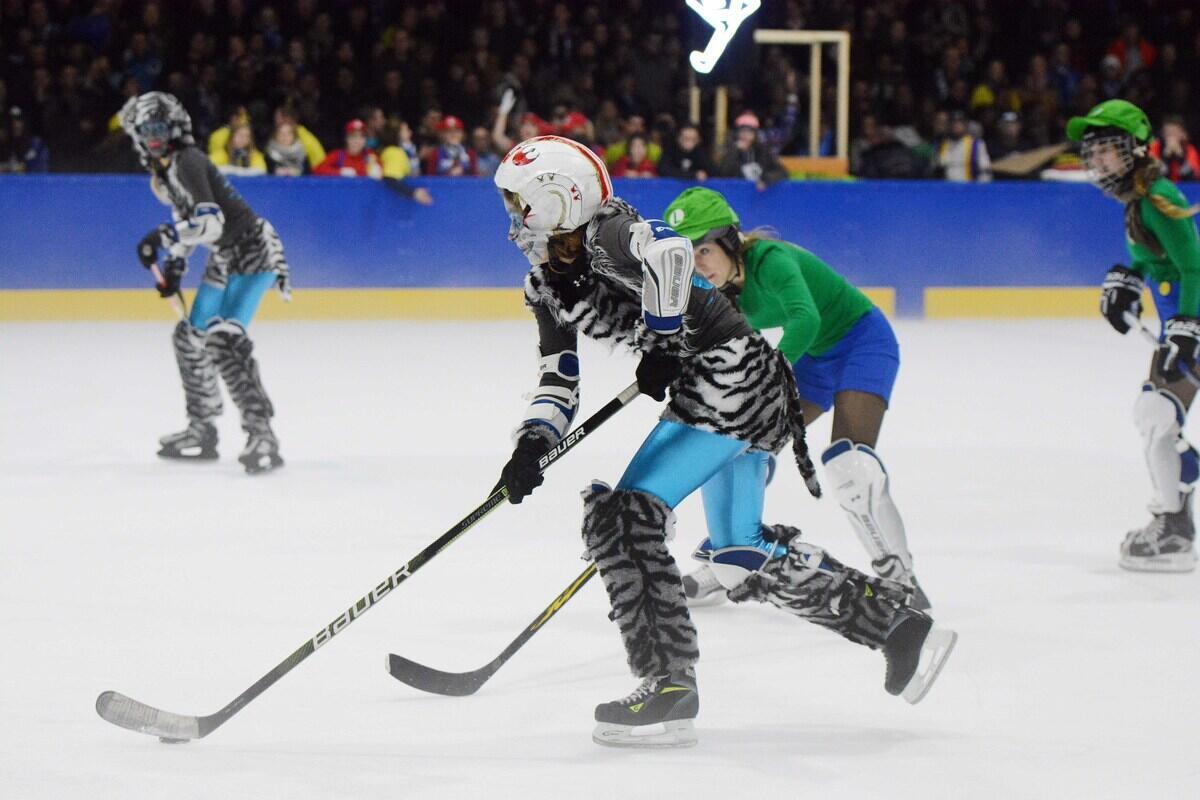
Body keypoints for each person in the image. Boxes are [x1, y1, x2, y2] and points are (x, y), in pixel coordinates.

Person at [493, 136, 955, 748]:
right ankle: (899, 628)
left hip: (731, 374)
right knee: (739, 553)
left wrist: (659, 341)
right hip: (718, 382)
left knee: (627, 518)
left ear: (560, 199)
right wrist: (532, 444)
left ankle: (668, 685)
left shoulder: (611, 230)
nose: (515, 221)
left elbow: (672, 257)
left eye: (522, 205)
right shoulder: (545, 284)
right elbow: (559, 378)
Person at [662, 187, 931, 609]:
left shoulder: (771, 260)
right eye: (687, 256)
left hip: (862, 343)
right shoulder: (713, 293)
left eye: (705, 250)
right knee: (741, 446)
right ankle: (729, 560)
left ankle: (901, 580)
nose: (698, 264)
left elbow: (807, 318)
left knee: (850, 465)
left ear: (730, 240)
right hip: (815, 358)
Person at [120, 92, 288, 474]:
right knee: (189, 337)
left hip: (252, 251)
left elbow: (210, 223)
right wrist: (175, 263)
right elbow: (190, 220)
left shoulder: (187, 162)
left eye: (160, 128)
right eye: (147, 130)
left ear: (175, 127)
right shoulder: (164, 174)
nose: (154, 137)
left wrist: (162, 238)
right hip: (224, 256)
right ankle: (202, 427)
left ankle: (261, 433)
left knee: (224, 339)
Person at [1069, 99, 1200, 572]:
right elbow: (1156, 258)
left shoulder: (1160, 197)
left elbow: (1193, 265)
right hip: (1181, 325)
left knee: (1157, 414)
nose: (1098, 161)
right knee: (1156, 416)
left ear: (1135, 150)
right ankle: (1177, 508)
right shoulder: (1139, 201)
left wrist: (1189, 327)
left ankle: (1175, 529)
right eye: (1094, 153)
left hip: (1192, 322)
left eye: (1107, 150)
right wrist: (1129, 275)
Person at [716, 112, 787, 190]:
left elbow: (782, 172)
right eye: (742, 131)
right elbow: (723, 173)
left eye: (749, 131)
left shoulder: (763, 152)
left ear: (755, 134)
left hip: (759, 196)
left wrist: (765, 180)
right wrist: (734, 152)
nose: (745, 135)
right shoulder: (731, 151)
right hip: (737, 194)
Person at [313, 119, 382, 177]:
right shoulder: (337, 155)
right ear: (346, 138)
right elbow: (317, 170)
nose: (357, 141)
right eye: (353, 136)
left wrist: (377, 171)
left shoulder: (370, 155)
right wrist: (340, 172)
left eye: (362, 137)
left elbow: (383, 171)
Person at [1149, 116, 1200, 184]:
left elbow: (1193, 178)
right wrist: (1165, 156)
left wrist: (1180, 157)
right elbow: (1153, 176)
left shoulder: (1189, 149)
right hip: (1161, 188)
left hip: (1184, 188)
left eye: (1174, 132)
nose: (1171, 137)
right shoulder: (1155, 147)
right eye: (1168, 133)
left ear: (1183, 134)